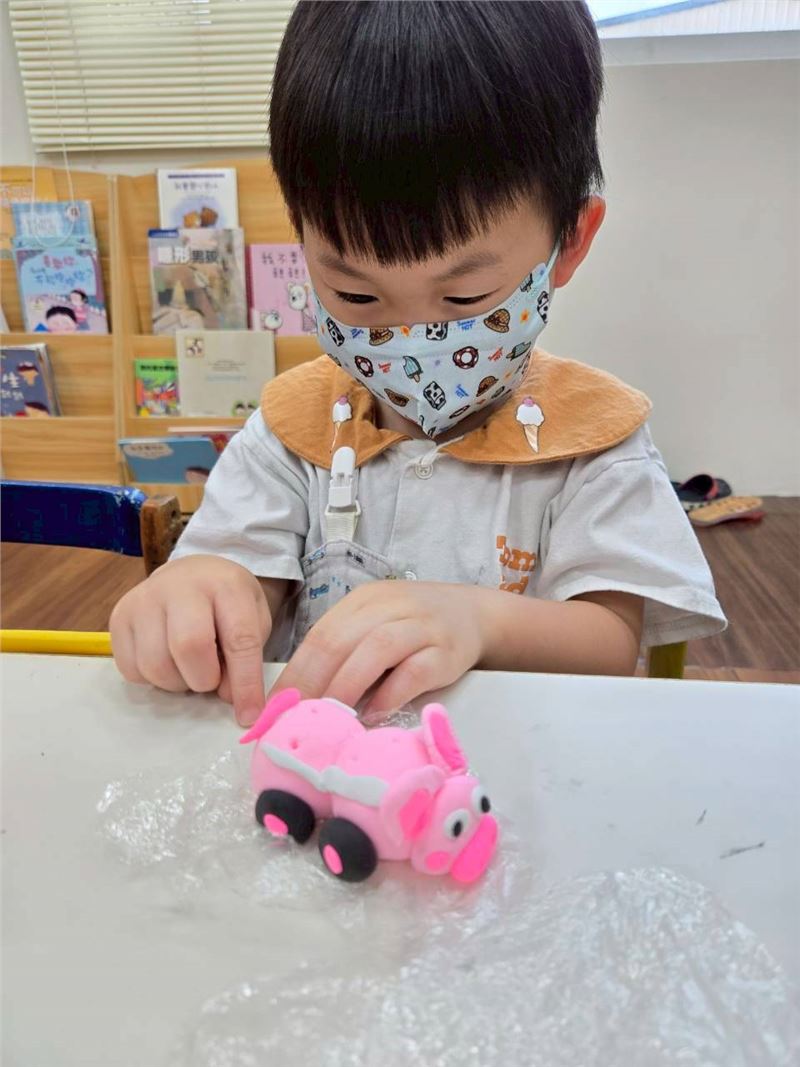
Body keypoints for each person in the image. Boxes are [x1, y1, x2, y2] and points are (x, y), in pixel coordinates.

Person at [110, 0, 725, 726]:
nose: (410, 337)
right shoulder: (293, 430)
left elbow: (610, 640)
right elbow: (245, 578)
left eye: (464, 297)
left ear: (570, 242)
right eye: (356, 294)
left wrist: (479, 621)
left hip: (512, 770)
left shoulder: (593, 440)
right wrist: (206, 592)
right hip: (324, 767)